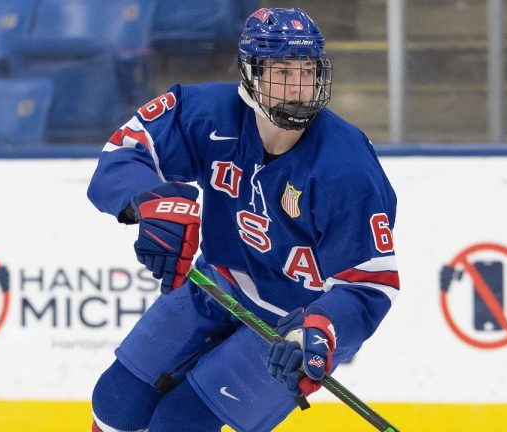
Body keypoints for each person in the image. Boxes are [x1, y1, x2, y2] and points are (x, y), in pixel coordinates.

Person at [87, 7, 400, 432]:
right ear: (249, 74)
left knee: (179, 423)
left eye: (307, 71)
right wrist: (149, 202)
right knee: (117, 399)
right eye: (282, 72)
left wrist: (321, 333)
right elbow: (128, 149)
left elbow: (368, 283)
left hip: (289, 323)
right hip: (217, 283)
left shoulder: (347, 167)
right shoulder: (209, 114)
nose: (298, 88)